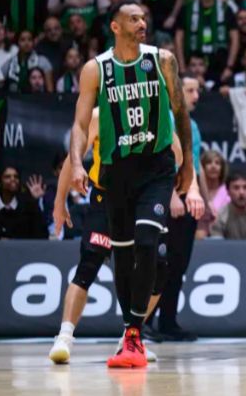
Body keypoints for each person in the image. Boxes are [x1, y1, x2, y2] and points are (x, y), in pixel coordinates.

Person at [67, 0, 204, 368]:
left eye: (144, 17)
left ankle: (134, 336)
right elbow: (80, 125)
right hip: (116, 172)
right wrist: (78, 164)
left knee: (147, 242)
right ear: (115, 26)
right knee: (123, 257)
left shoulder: (162, 60)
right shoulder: (96, 70)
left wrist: (188, 168)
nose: (142, 22)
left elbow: (181, 114)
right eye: (134, 18)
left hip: (156, 167)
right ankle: (130, 333)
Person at [48, 107, 183, 363]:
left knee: (158, 269)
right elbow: (72, 158)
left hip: (142, 198)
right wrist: (59, 202)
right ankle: (64, 337)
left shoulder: (156, 109)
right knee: (89, 264)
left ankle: (130, 336)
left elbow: (177, 152)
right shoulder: (101, 115)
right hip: (106, 197)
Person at [154, 75, 208, 342]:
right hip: (167, 200)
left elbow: (194, 165)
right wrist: (172, 196)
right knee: (158, 264)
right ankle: (143, 323)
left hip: (188, 200)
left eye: (197, 91)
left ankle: (168, 322)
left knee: (179, 264)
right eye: (190, 90)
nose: (195, 96)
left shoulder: (193, 125)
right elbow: (161, 164)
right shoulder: (164, 121)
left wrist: (204, 200)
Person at [0, 166, 47, 240]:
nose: (13, 179)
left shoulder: (29, 207)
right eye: (7, 177)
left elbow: (41, 236)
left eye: (16, 177)